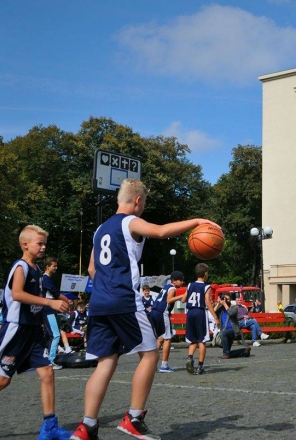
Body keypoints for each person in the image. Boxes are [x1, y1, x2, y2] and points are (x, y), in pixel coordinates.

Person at [70, 178, 220, 440]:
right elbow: (161, 232)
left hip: (99, 304)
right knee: (150, 355)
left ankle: (87, 426)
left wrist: (106, 285)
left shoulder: (100, 230)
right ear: (137, 200)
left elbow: (93, 269)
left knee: (106, 362)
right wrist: (197, 222)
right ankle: (134, 418)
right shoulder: (129, 221)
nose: (143, 207)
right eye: (144, 202)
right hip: (124, 301)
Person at [0, 225, 71, 440]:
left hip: (33, 331)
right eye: (39, 243)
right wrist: (49, 303)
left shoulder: (38, 270)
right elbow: (18, 294)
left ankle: (50, 425)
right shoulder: (20, 267)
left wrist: (53, 304)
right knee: (3, 380)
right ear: (25, 245)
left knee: (47, 373)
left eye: (44, 244)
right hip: (16, 330)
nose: (43, 247)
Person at [182, 263, 217, 375]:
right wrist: (215, 317)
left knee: (193, 339)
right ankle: (200, 366)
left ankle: (190, 357)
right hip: (200, 312)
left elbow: (183, 300)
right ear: (205, 273)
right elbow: (207, 302)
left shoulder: (190, 285)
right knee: (202, 340)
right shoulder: (206, 287)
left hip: (190, 312)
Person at [150, 271, 185, 373]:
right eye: (181, 280)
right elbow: (169, 300)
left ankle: (151, 364)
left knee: (160, 339)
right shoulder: (172, 288)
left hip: (154, 311)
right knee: (168, 338)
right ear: (174, 280)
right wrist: (181, 296)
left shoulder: (165, 287)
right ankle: (164, 365)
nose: (182, 282)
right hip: (162, 313)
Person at [42, 257, 71, 369]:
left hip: (50, 310)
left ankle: (47, 357)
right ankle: (51, 361)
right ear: (47, 266)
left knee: (49, 335)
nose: (56, 267)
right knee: (56, 335)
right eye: (54, 265)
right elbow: (56, 293)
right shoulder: (46, 279)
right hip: (48, 310)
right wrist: (67, 300)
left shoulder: (47, 278)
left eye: (56, 265)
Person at [214, 294, 250, 359]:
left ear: (230, 300)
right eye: (225, 299)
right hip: (224, 330)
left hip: (233, 331)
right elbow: (213, 312)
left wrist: (224, 304)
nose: (226, 300)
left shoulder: (234, 307)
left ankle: (225, 354)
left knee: (223, 334)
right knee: (228, 352)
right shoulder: (221, 309)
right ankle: (245, 351)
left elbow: (231, 313)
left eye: (227, 299)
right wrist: (218, 303)